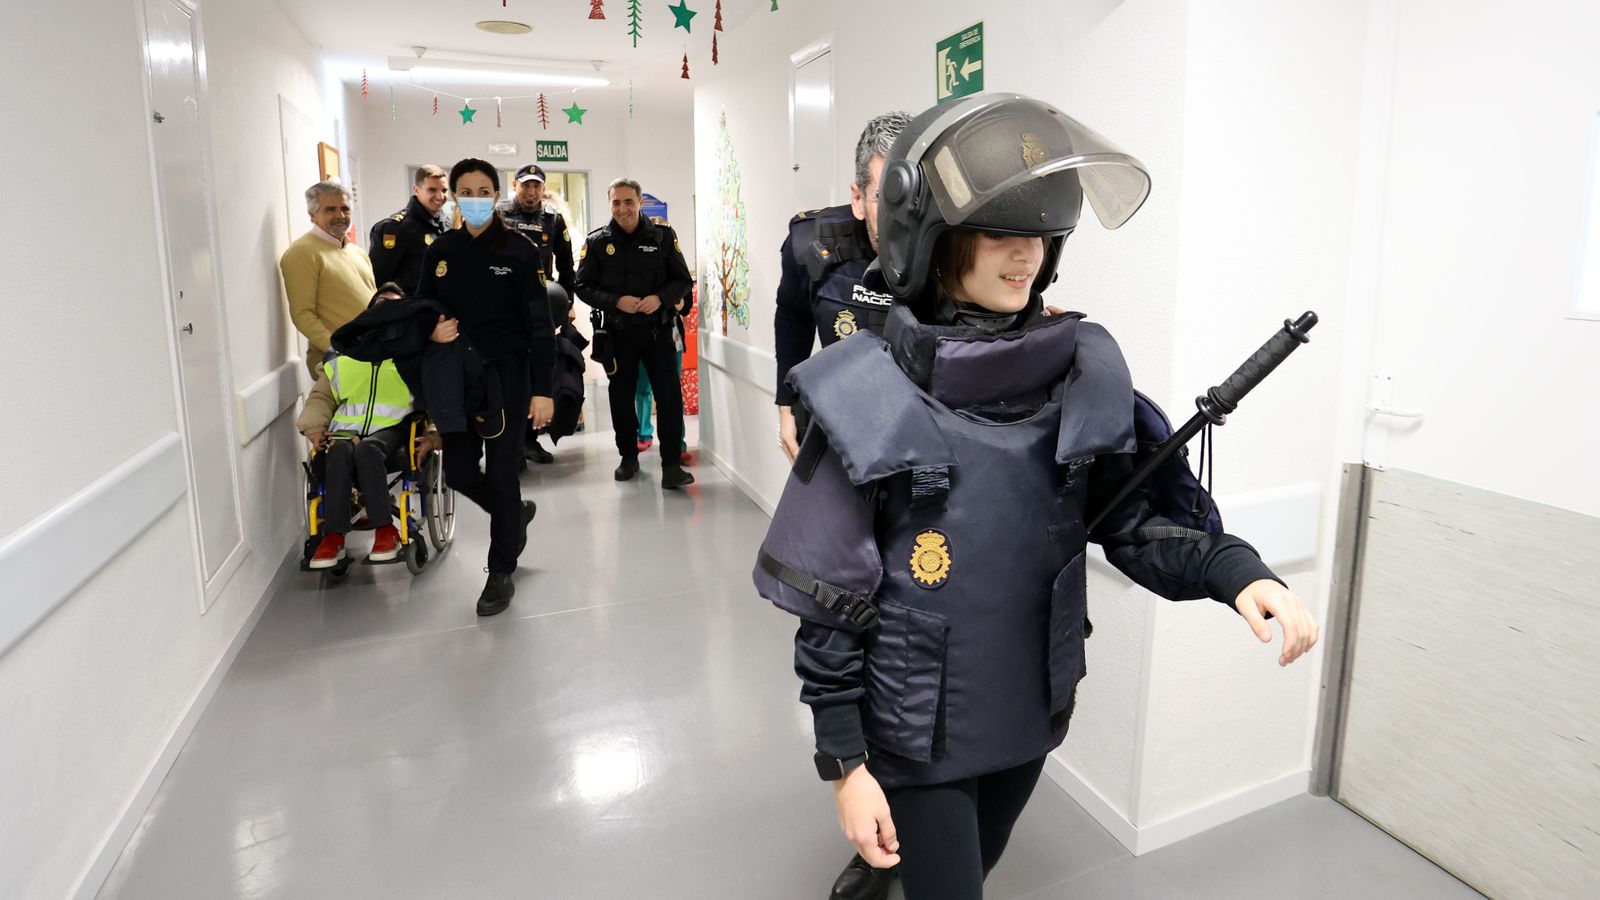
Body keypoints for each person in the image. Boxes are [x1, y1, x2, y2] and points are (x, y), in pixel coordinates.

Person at [752, 94, 1321, 900]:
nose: (1027, 257)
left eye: (1042, 237)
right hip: (916, 723)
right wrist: (846, 765)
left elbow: (1133, 524)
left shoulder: (1080, 371)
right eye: (1001, 234)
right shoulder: (865, 393)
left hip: (1028, 703)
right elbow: (830, 602)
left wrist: (1238, 572)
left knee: (970, 867)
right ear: (939, 243)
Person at [414, 158, 556, 616]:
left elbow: (540, 326)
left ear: (497, 195)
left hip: (506, 377)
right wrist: (431, 331)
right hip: (456, 379)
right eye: (466, 191)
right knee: (458, 472)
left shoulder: (520, 251)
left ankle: (500, 571)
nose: (475, 199)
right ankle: (513, 513)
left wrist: (543, 390)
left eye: (483, 191)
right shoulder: (441, 251)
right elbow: (422, 309)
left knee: (500, 473)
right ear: (454, 195)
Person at [773, 111, 913, 463]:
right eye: (886, 196)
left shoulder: (954, 249)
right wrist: (786, 402)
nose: (903, 217)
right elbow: (792, 315)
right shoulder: (810, 243)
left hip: (922, 433)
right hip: (841, 431)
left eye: (912, 196)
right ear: (858, 199)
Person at [298, 283, 439, 567]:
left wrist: (435, 435)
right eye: (380, 305)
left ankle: (385, 530)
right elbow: (322, 396)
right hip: (347, 428)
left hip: (395, 426)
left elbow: (438, 395)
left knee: (368, 451)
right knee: (336, 452)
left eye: (395, 306)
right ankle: (334, 536)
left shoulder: (416, 353)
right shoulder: (344, 355)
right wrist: (313, 427)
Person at [574, 178, 695, 489]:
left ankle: (671, 465)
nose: (622, 209)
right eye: (616, 202)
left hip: (658, 332)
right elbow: (583, 286)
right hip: (619, 334)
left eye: (628, 202)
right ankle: (628, 458)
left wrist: (661, 299)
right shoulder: (598, 241)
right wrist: (616, 302)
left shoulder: (663, 237)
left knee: (669, 398)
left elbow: (682, 281)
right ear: (610, 204)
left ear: (640, 202)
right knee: (621, 398)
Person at [500, 163, 578, 465]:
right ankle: (510, 445)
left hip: (540, 307)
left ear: (543, 189)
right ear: (515, 186)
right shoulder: (500, 215)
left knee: (537, 373)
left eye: (537, 186)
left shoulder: (553, 219)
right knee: (508, 375)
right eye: (525, 185)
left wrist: (567, 304)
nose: (531, 192)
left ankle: (530, 441)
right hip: (505, 307)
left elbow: (567, 268)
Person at [280, 180, 377, 380]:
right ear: (312, 214)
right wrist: (339, 350)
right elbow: (302, 314)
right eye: (330, 209)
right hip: (338, 362)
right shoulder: (302, 253)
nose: (340, 216)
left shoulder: (357, 252)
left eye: (344, 209)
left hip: (370, 356)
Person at [368, 164, 451, 295]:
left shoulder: (447, 224)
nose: (440, 196)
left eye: (444, 190)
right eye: (432, 190)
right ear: (416, 190)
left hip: (442, 308)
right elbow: (379, 282)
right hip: (410, 309)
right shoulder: (395, 228)